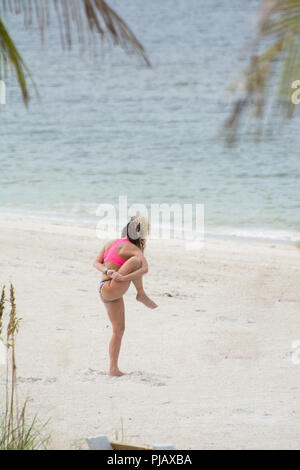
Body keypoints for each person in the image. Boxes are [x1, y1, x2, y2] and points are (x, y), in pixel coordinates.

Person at [93, 215, 157, 376]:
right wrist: (124, 278)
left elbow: (96, 262)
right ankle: (141, 294)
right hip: (112, 286)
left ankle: (113, 369)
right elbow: (145, 268)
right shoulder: (133, 249)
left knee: (118, 330)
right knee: (136, 261)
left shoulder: (111, 243)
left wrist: (107, 271)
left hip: (105, 290)